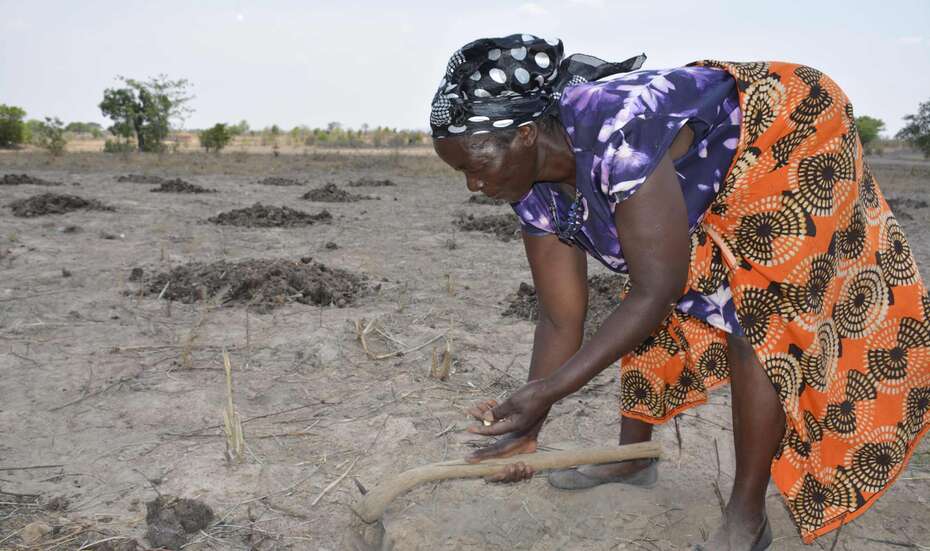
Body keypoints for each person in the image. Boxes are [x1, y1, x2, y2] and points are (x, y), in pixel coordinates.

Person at [429, 34, 930, 550]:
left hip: (788, 124)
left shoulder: (618, 132)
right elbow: (560, 317)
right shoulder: (530, 189)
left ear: (526, 134)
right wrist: (526, 428)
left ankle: (746, 519)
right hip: (711, 167)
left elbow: (656, 291)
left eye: (474, 166)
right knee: (647, 294)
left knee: (755, 317)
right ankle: (631, 459)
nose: (472, 186)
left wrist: (551, 390)